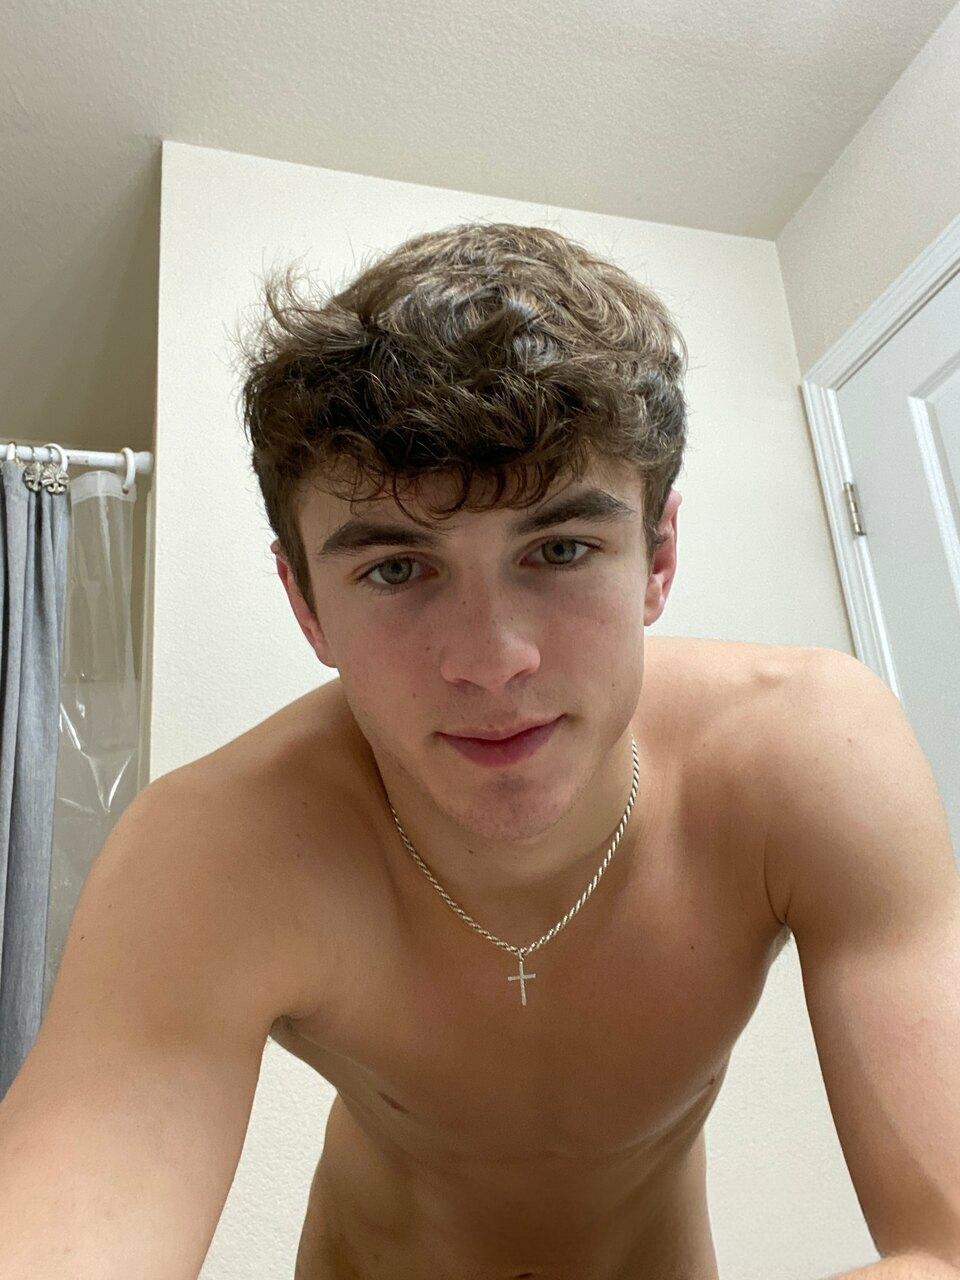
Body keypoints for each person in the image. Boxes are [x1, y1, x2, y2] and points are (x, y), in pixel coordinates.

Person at [2, 222, 957, 1280]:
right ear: (306, 606)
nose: (493, 662)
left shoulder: (805, 753)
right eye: (396, 570)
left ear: (658, 557)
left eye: (560, 548)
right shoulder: (213, 852)